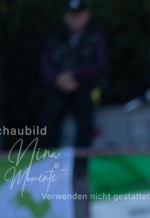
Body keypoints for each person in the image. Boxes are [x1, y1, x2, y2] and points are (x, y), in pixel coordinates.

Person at [40, 0, 109, 149]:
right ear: (65, 16)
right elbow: (46, 63)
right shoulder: (56, 38)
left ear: (86, 15)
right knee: (50, 113)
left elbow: (99, 65)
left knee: (84, 112)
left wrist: (75, 75)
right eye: (71, 15)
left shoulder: (96, 36)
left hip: (87, 87)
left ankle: (81, 163)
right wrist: (56, 78)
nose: (74, 19)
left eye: (78, 15)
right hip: (60, 87)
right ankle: (47, 161)